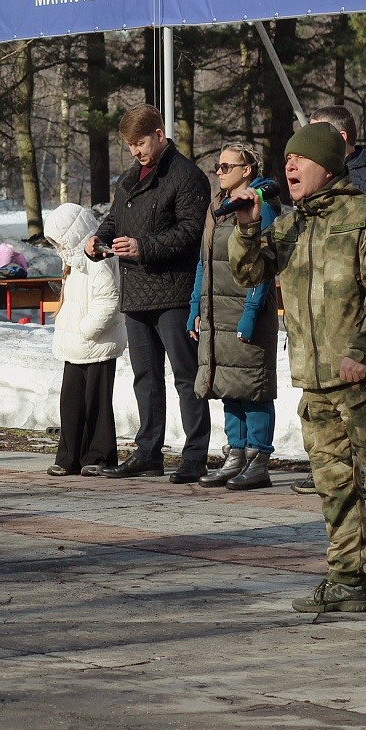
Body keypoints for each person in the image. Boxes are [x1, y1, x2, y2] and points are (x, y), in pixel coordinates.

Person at [228, 121, 366, 623]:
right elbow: (249, 272)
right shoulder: (290, 224)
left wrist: (360, 351)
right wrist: (248, 226)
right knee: (333, 484)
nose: (290, 166)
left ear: (326, 164)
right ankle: (346, 580)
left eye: (300, 158)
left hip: (364, 379)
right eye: (287, 159)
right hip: (315, 381)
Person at [85, 104, 212, 481]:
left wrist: (144, 247)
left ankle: (195, 455)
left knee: (187, 376)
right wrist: (97, 241)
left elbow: (192, 233)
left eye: (139, 143)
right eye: (129, 145)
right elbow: (114, 219)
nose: (135, 151)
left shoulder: (186, 176)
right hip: (137, 294)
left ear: (159, 134)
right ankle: (148, 452)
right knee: (145, 377)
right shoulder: (128, 178)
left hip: (175, 293)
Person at [292, 105, 366, 496]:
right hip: (325, 335)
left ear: (339, 140)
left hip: (357, 335)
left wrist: (362, 341)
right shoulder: (322, 186)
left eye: (315, 135)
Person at [190, 142, 280, 491]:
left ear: (247, 170)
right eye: (218, 166)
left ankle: (258, 460)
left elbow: (265, 267)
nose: (219, 172)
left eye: (227, 166)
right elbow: (205, 262)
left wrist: (251, 314)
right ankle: (236, 455)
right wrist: (196, 307)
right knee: (228, 384)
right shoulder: (218, 208)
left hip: (246, 309)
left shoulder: (261, 207)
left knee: (253, 387)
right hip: (218, 312)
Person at [46, 203, 125, 477]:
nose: (58, 247)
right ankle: (68, 457)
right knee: (71, 403)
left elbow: (109, 298)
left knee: (97, 404)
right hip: (76, 346)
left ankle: (100, 456)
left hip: (97, 343)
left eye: (60, 240)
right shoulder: (72, 262)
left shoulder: (98, 257)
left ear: (72, 234)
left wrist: (86, 330)